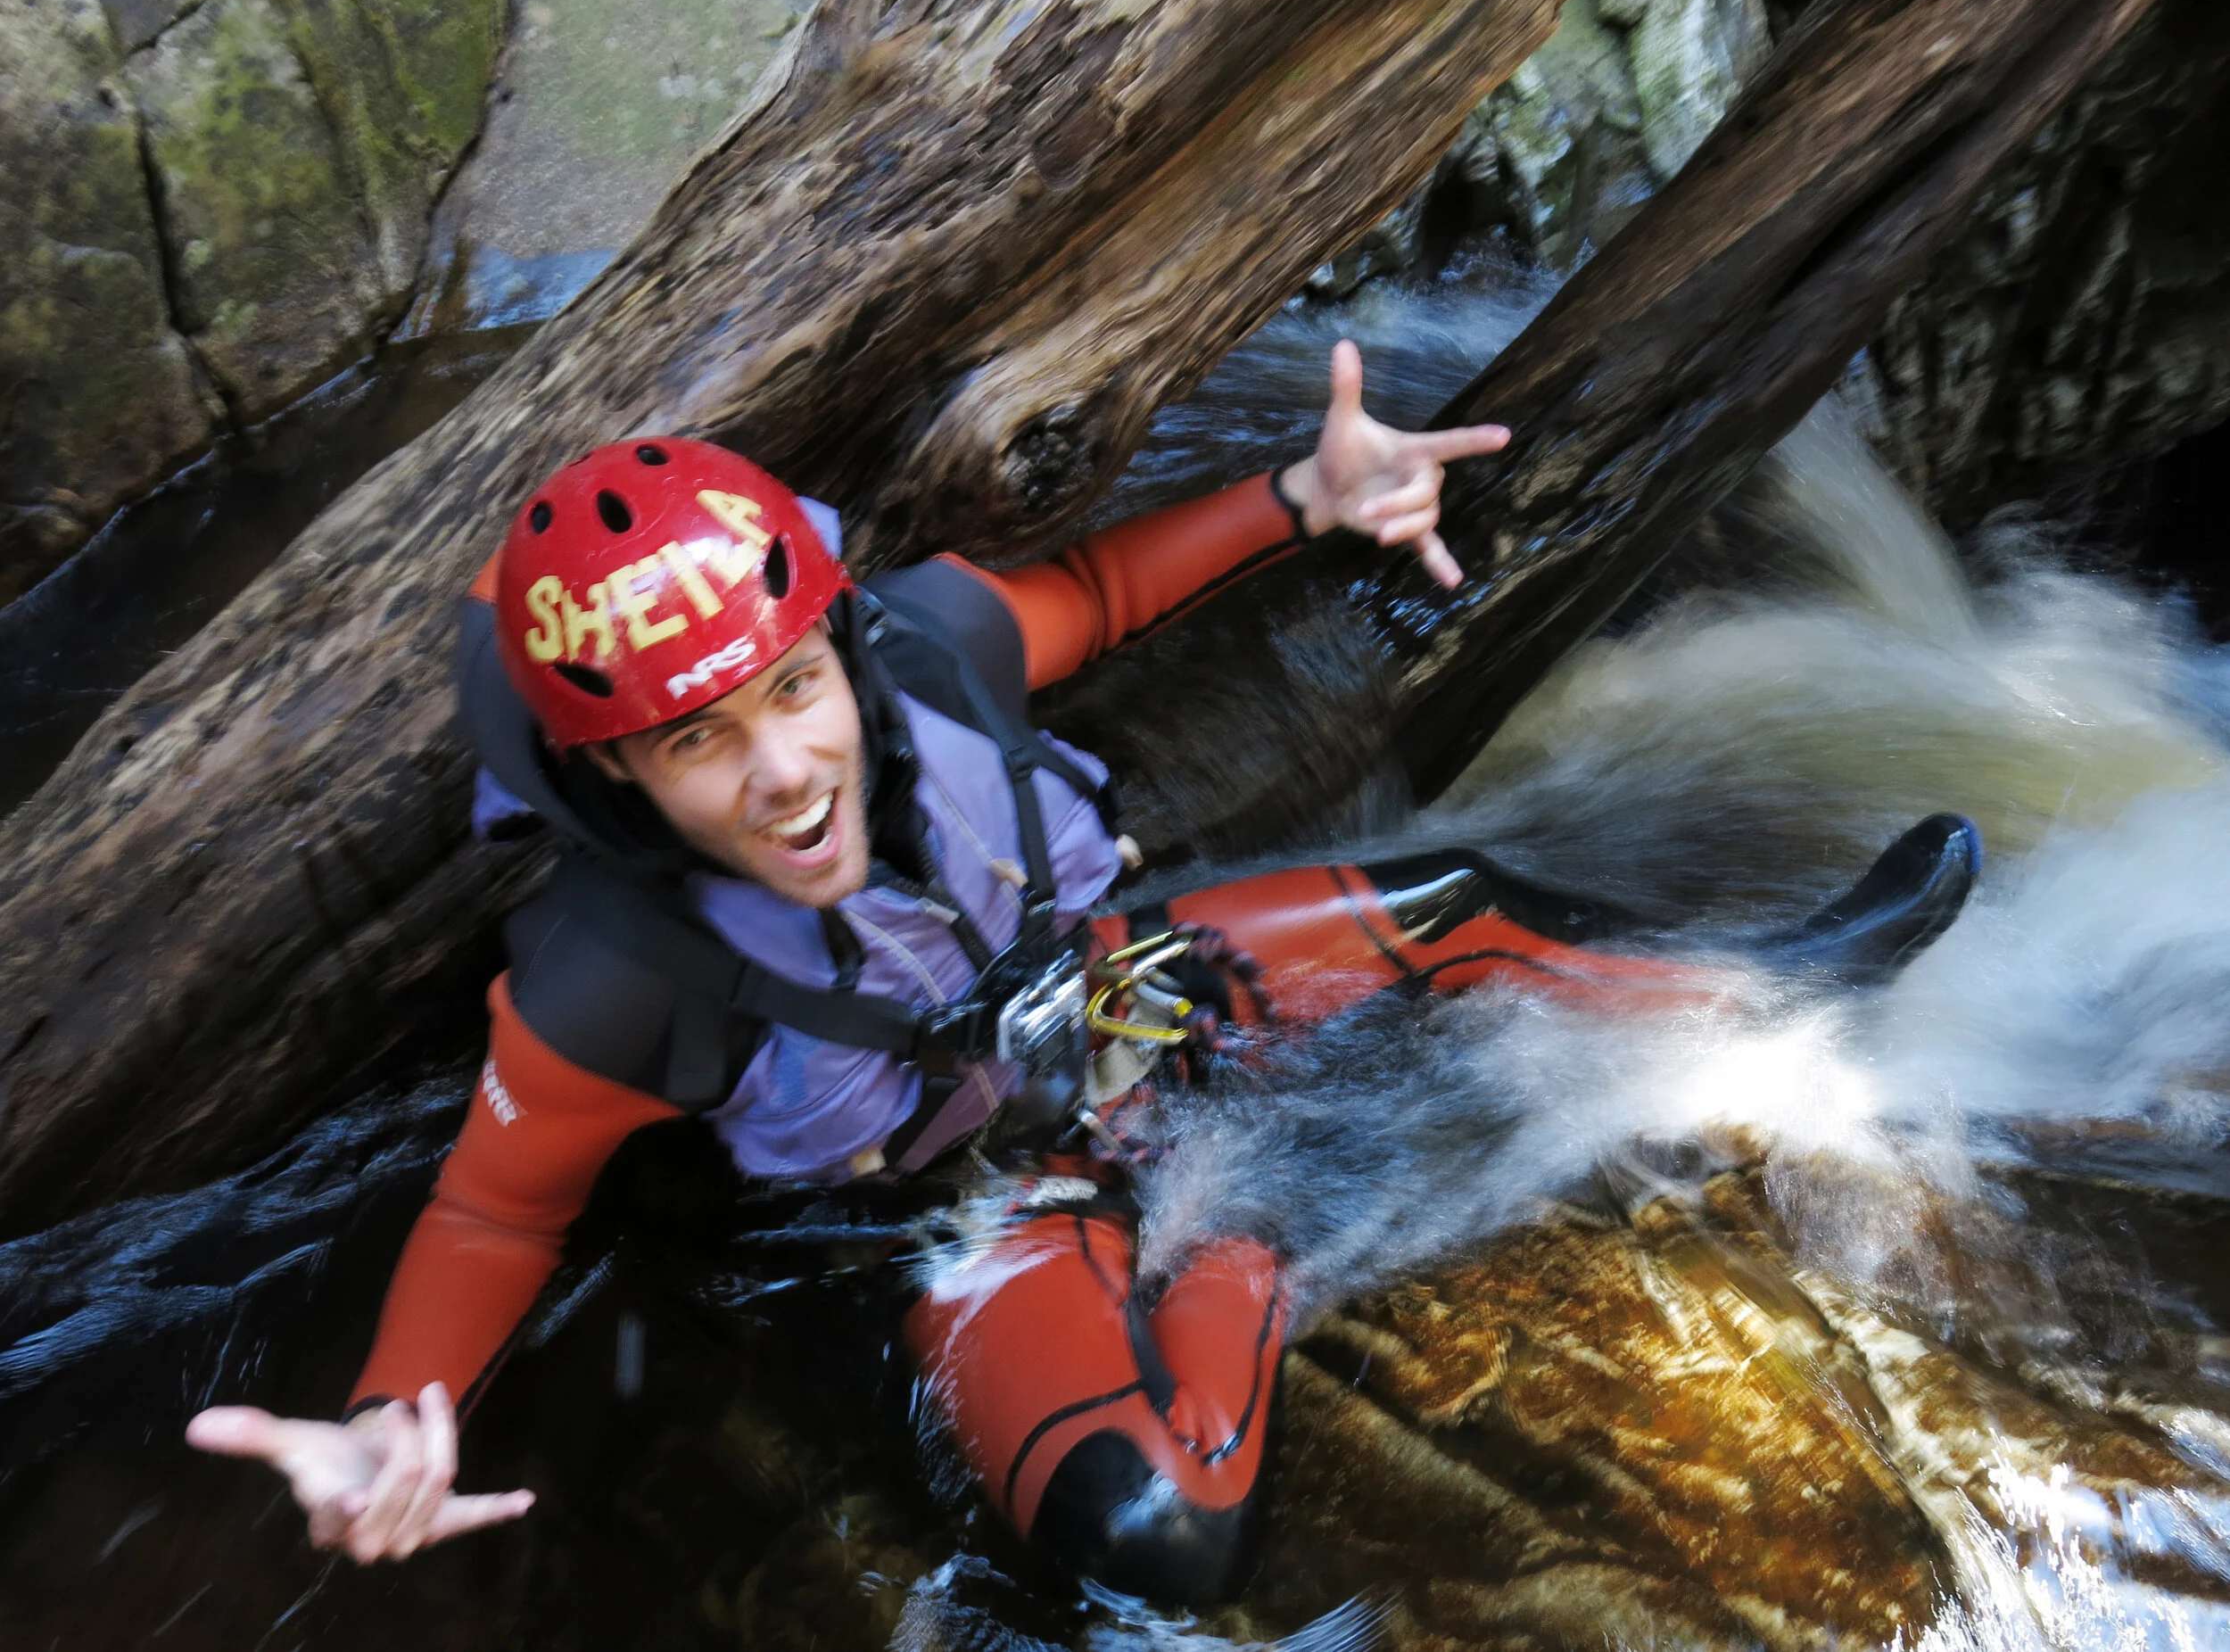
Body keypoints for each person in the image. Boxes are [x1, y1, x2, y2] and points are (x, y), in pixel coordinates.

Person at [186, 342, 1980, 1604]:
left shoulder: (926, 650)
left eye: (790, 690)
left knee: (1460, 894)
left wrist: (1301, 493)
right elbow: (493, 1215)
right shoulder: (609, 973)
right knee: (1154, 1533)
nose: (785, 769)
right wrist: (390, 1417)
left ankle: (1788, 975)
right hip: (945, 1192)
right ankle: (1251, 1233)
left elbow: (1103, 587)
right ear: (616, 779)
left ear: (833, 645)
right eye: (697, 744)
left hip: (1110, 991)